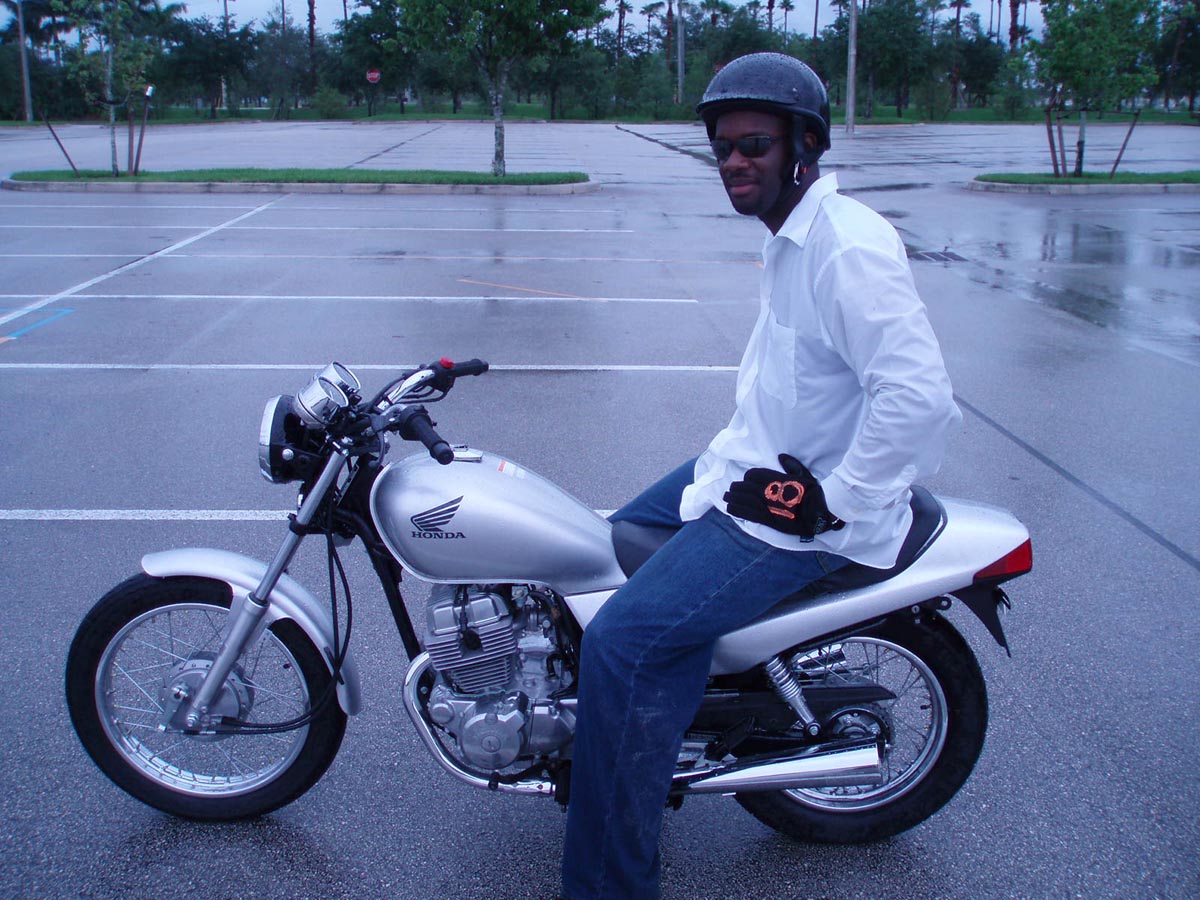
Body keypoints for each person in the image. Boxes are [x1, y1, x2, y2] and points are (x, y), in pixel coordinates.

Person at [560, 52, 962, 900]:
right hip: (746, 472)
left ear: (804, 146)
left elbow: (919, 397)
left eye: (754, 145)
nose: (735, 162)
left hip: (797, 512)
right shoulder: (792, 238)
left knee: (622, 644)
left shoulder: (843, 245)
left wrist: (833, 503)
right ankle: (666, 718)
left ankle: (610, 884)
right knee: (611, 542)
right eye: (723, 148)